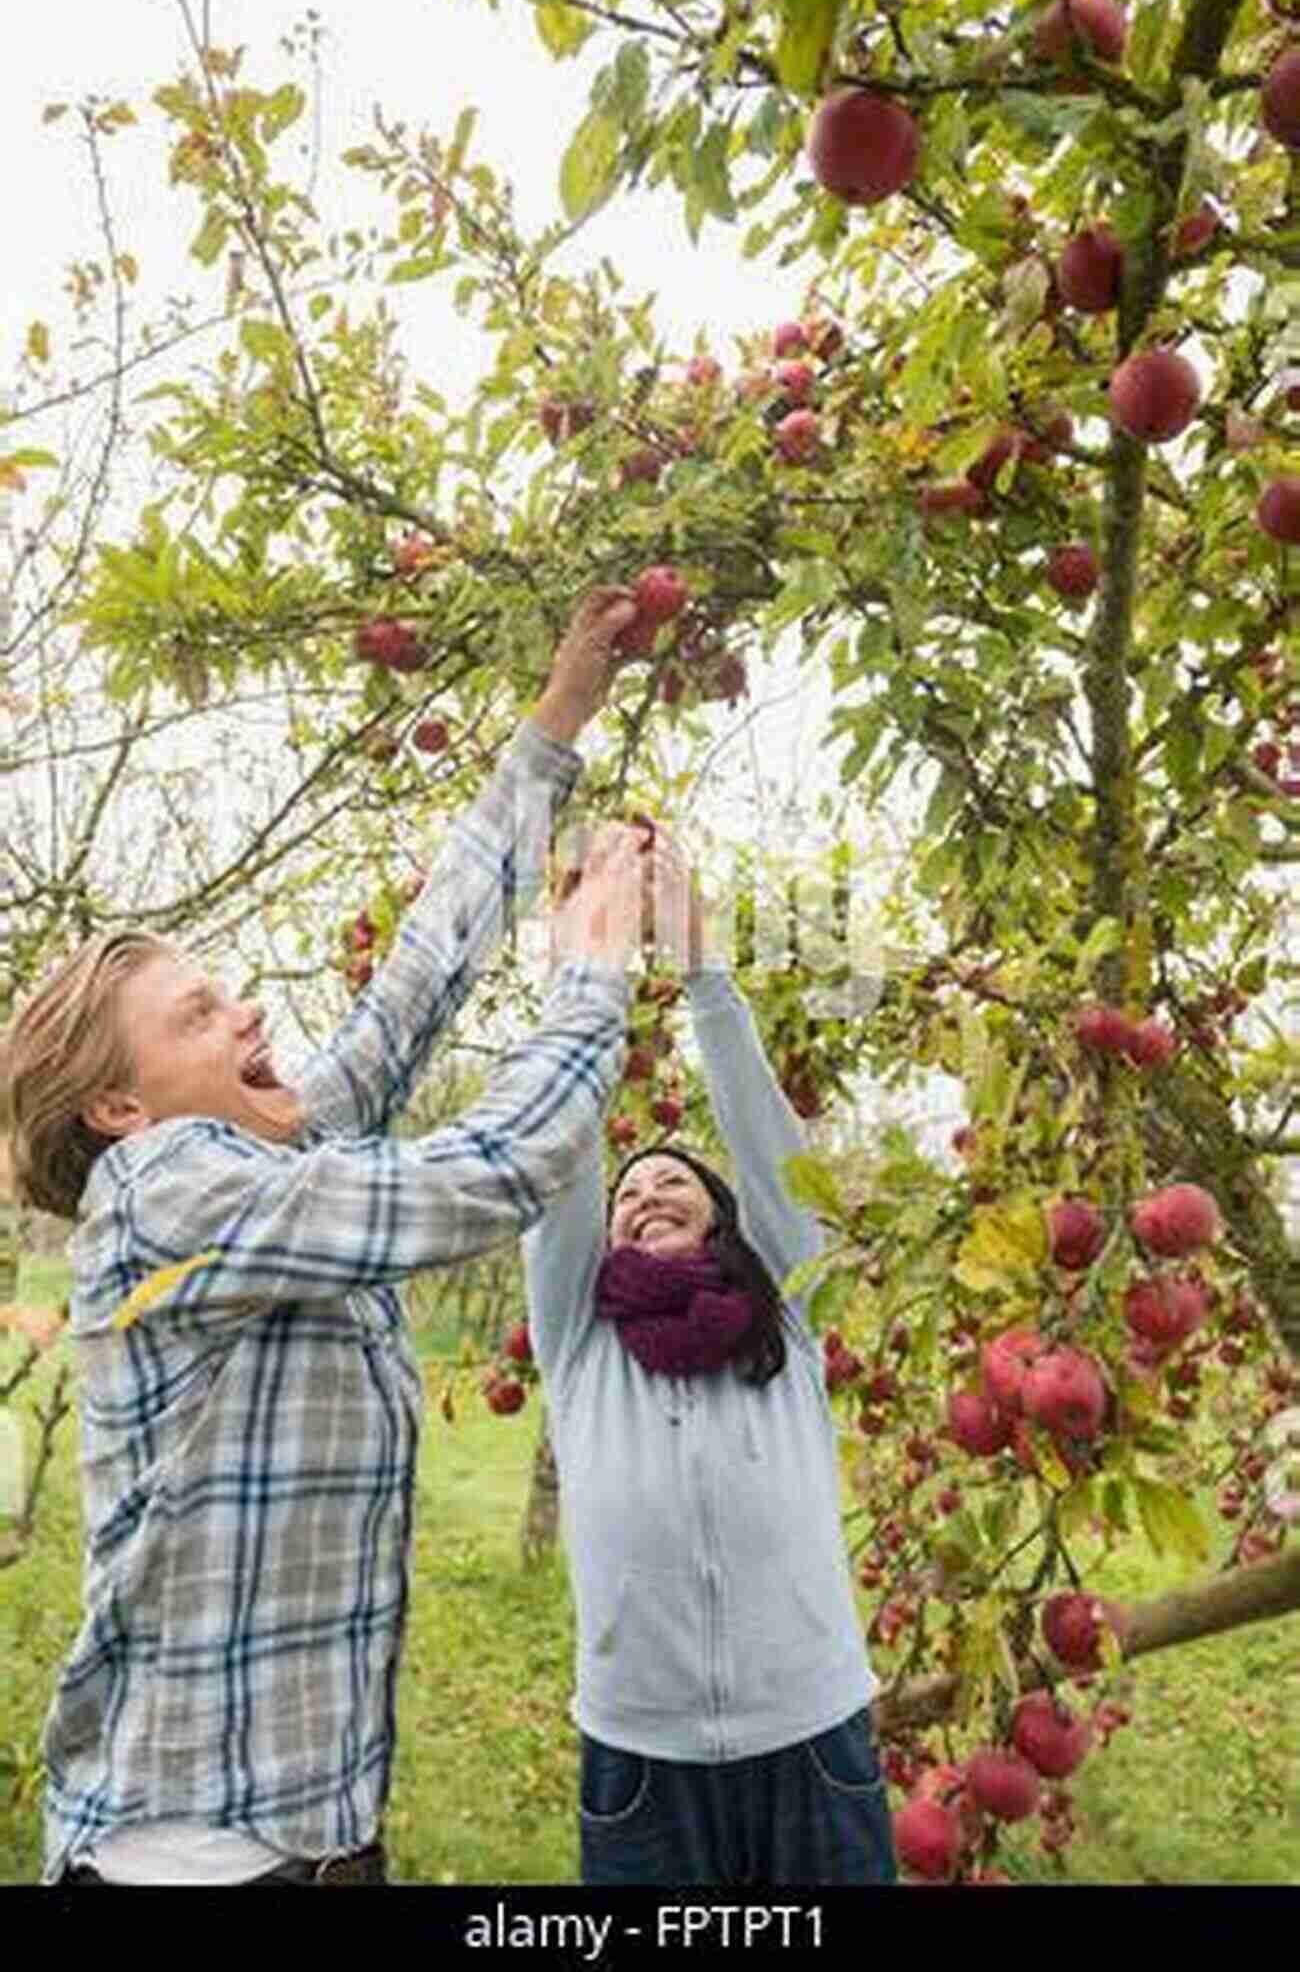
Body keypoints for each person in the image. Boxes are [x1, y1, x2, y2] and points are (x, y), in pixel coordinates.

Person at [0, 585, 646, 1887]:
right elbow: (495, 1168)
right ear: (121, 1105)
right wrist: (592, 970)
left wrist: (560, 717)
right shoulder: (166, 1187)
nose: (244, 1014)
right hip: (191, 1863)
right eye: (197, 1015)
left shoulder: (256, 1161)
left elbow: (407, 998)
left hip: (311, 1836)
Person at [522, 834, 897, 1888]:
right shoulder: (580, 1338)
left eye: (673, 1179)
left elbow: (779, 1157)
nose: (643, 1191)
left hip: (813, 1737)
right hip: (642, 1756)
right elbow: (561, 1153)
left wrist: (703, 966)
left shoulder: (786, 1311)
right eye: (626, 1191)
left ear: (728, 1216)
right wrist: (584, 968)